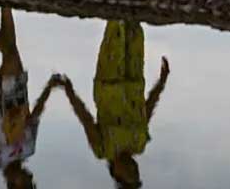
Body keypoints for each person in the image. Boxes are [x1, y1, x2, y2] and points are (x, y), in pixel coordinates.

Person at [58, 20, 170, 189]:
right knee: (134, 30)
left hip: (109, 81)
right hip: (134, 79)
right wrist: (161, 82)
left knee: (116, 29)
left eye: (130, 174)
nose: (134, 169)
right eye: (136, 173)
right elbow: (147, 109)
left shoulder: (103, 149)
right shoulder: (139, 145)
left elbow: (86, 119)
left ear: (116, 173)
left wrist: (69, 91)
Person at [0, 7, 63, 189]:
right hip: (19, 94)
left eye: (25, 181)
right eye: (30, 180)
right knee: (12, 49)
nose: (28, 176)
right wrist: (48, 88)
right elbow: (34, 117)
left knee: (10, 55)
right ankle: (2, 8)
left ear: (13, 185)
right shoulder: (29, 149)